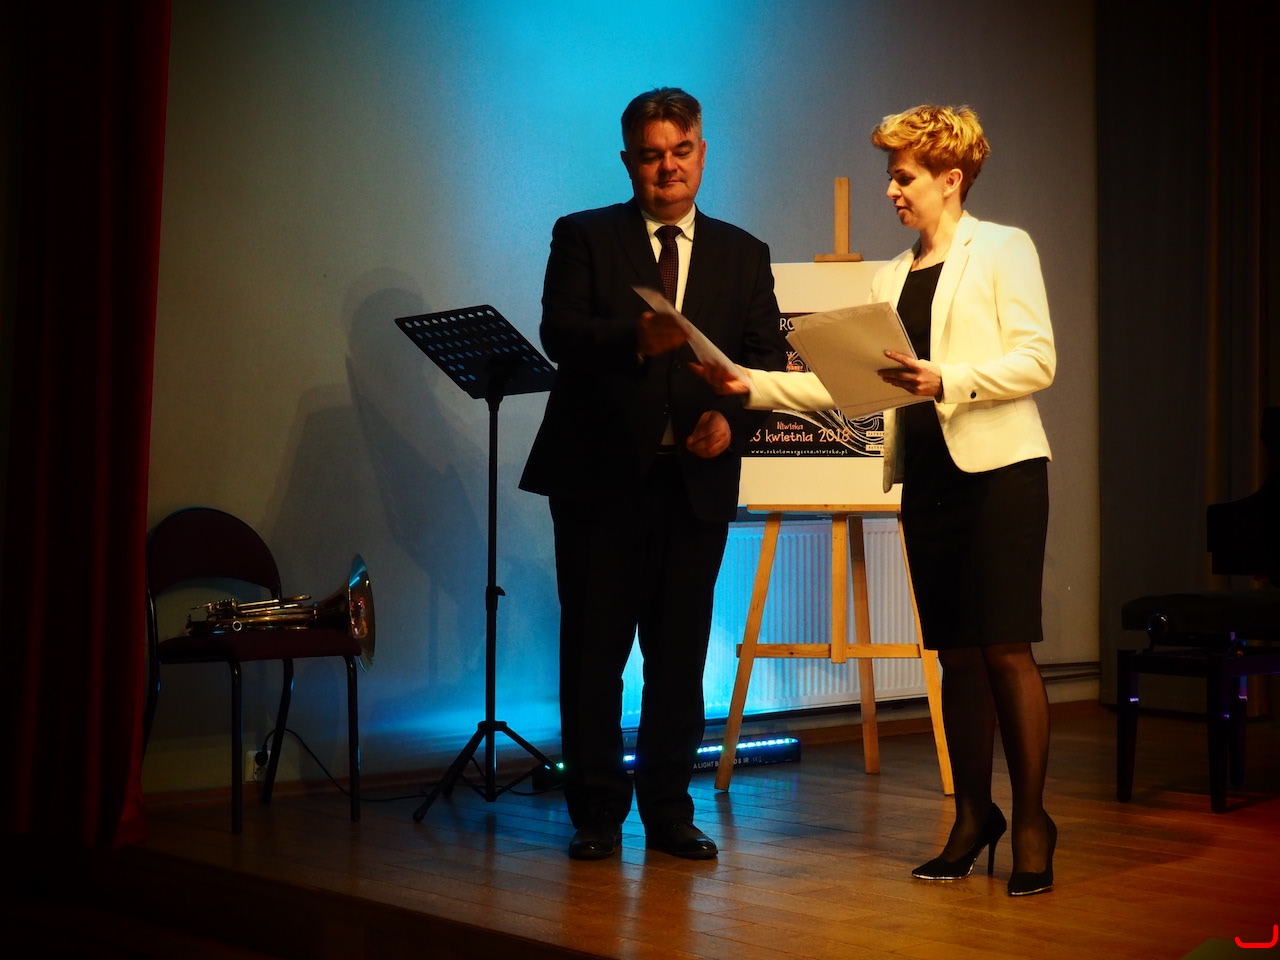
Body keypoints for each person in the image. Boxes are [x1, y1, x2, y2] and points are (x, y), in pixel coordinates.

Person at [684, 105, 1058, 895]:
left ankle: (1032, 823)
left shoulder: (1003, 248)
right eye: (891, 175)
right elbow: (846, 388)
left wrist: (946, 378)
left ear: (950, 179)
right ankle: (973, 818)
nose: (892, 189)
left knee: (1004, 649)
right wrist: (748, 384)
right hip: (928, 479)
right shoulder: (889, 278)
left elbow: (1037, 360)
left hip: (1001, 474)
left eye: (904, 176)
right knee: (955, 655)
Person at [519, 87, 788, 861]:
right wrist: (634, 337)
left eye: (681, 151)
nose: (667, 167)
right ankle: (597, 815)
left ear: (701, 152)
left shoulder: (743, 252)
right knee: (593, 656)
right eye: (650, 155)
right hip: (599, 480)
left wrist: (730, 422)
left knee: (680, 658)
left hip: (693, 483)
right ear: (628, 160)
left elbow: (764, 360)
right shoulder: (584, 235)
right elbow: (560, 333)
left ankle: (670, 811)